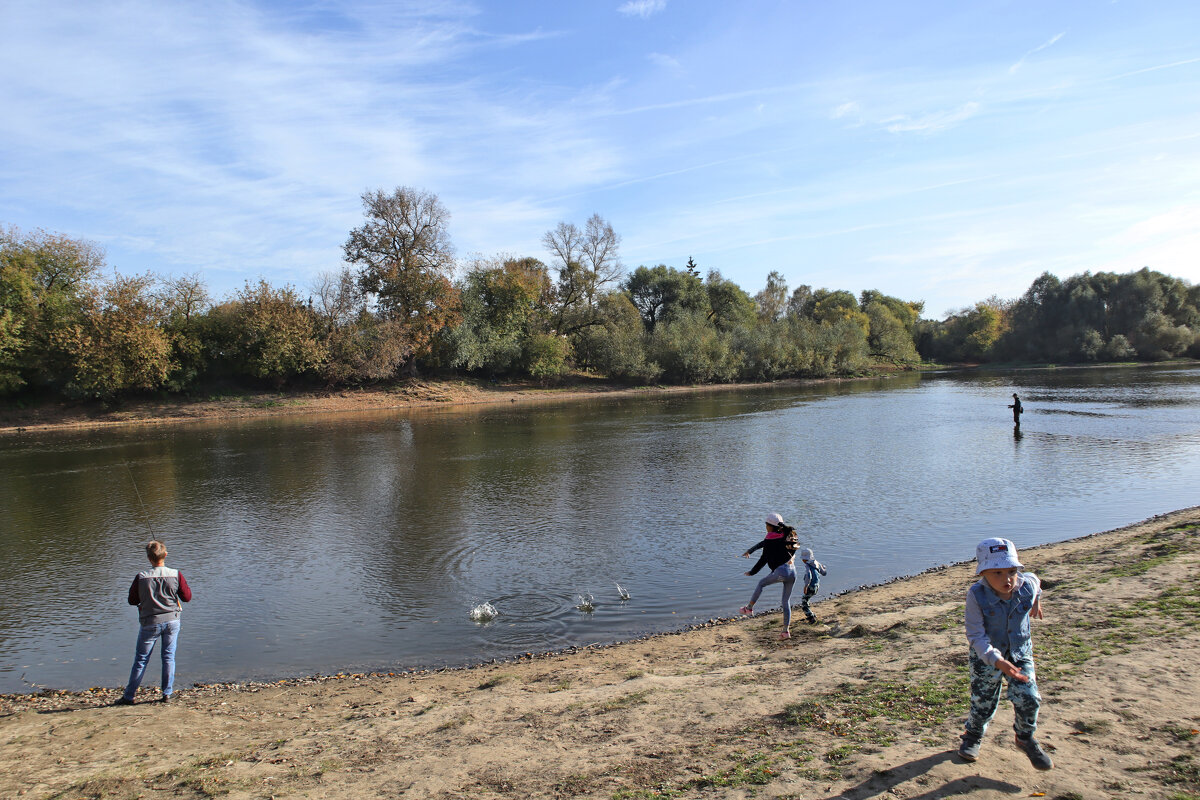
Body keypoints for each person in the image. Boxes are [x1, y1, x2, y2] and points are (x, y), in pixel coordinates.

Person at [958, 537, 1052, 770]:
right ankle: (973, 735)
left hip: (1020, 653)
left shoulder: (1026, 585)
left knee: (1029, 697)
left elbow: (1036, 581)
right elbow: (976, 636)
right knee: (983, 701)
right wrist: (997, 661)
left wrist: (1036, 601)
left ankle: (1025, 737)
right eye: (997, 573)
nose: (1007, 579)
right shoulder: (976, 596)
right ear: (983, 573)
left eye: (1011, 571)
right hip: (986, 656)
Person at [114, 540, 192, 705]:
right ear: (165, 555)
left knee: (141, 659)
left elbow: (132, 600)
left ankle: (129, 696)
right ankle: (167, 693)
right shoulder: (176, 574)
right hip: (172, 621)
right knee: (168, 657)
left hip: (150, 622)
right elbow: (187, 597)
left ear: (149, 558)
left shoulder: (141, 577)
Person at [739, 513, 799, 639]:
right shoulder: (787, 535)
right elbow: (764, 543)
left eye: (766, 525)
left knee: (761, 583)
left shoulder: (770, 541)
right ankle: (785, 631)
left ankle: (749, 608)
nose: (765, 527)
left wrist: (752, 572)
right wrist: (750, 551)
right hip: (793, 572)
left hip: (781, 572)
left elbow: (763, 559)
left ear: (770, 526)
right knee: (785, 601)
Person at [798, 548, 828, 624]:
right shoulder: (817, 563)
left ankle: (811, 617)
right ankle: (811, 615)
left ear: (805, 559)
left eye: (803, 559)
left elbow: (808, 576)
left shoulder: (808, 566)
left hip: (810, 586)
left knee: (804, 602)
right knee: (807, 599)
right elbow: (824, 573)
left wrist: (805, 586)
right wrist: (824, 568)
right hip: (817, 586)